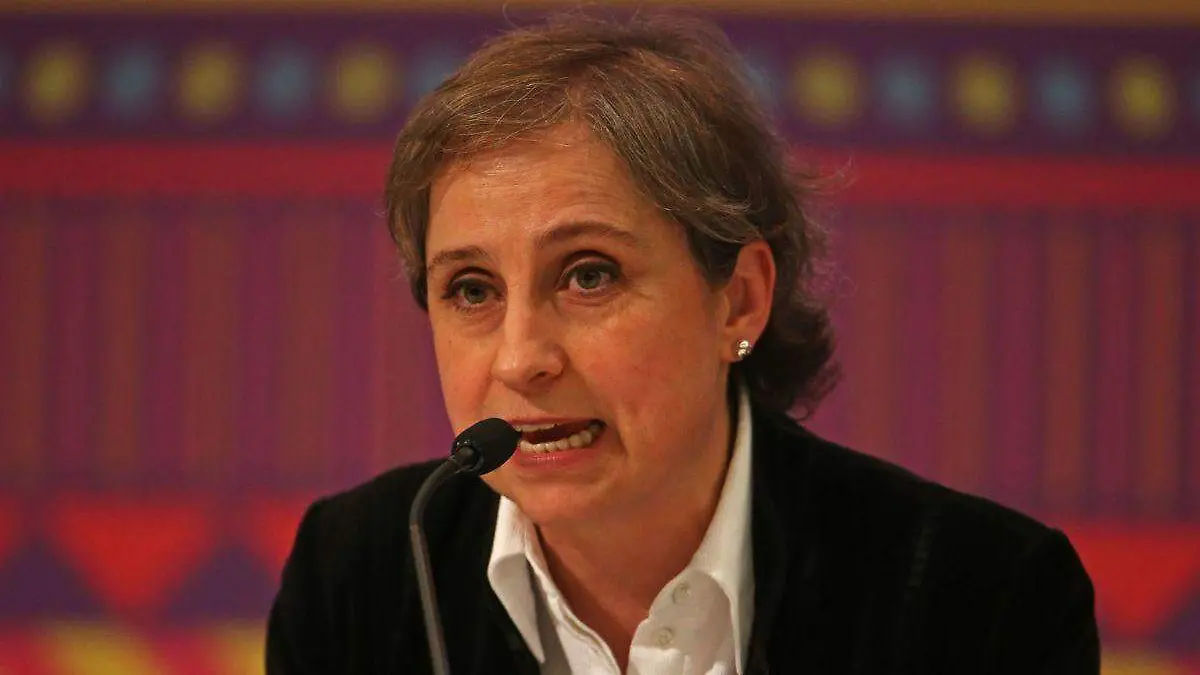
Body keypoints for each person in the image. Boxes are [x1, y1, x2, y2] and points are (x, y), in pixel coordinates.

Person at [266, 13, 1099, 675]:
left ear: (738, 300)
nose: (520, 359)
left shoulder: (981, 599)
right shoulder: (359, 579)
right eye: (472, 290)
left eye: (588, 275)